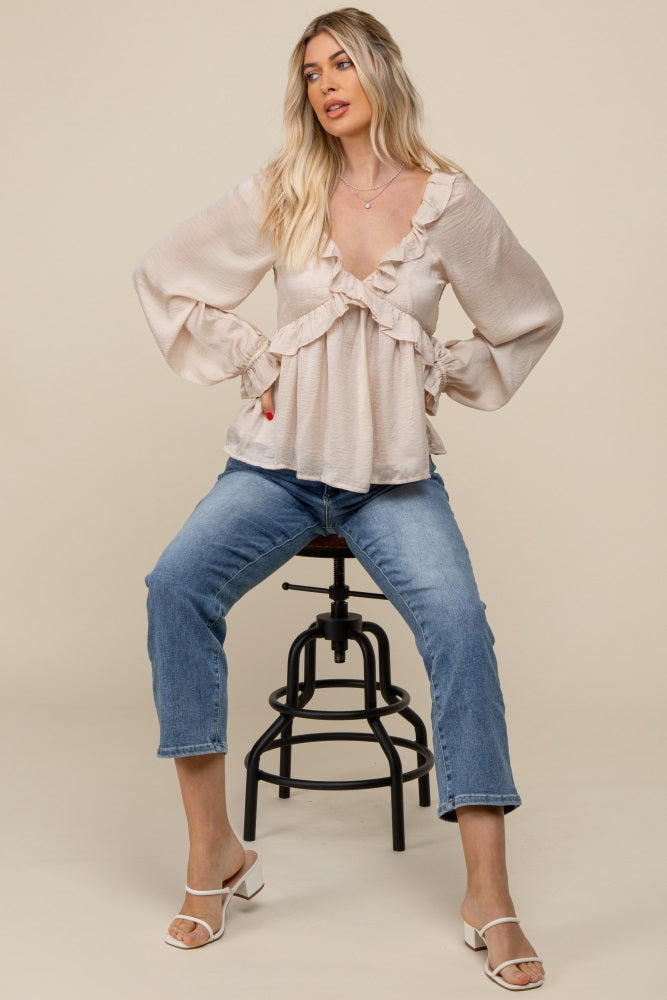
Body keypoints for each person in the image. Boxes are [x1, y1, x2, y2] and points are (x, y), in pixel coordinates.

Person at [132, 7, 562, 990]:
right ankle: (214, 854)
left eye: (340, 64)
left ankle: (487, 894)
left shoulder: (448, 203)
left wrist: (437, 367)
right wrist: (253, 353)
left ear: (379, 71)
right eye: (309, 72)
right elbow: (165, 277)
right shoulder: (285, 188)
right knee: (174, 586)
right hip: (277, 467)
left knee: (460, 627)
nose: (325, 83)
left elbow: (528, 316)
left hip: (391, 481)